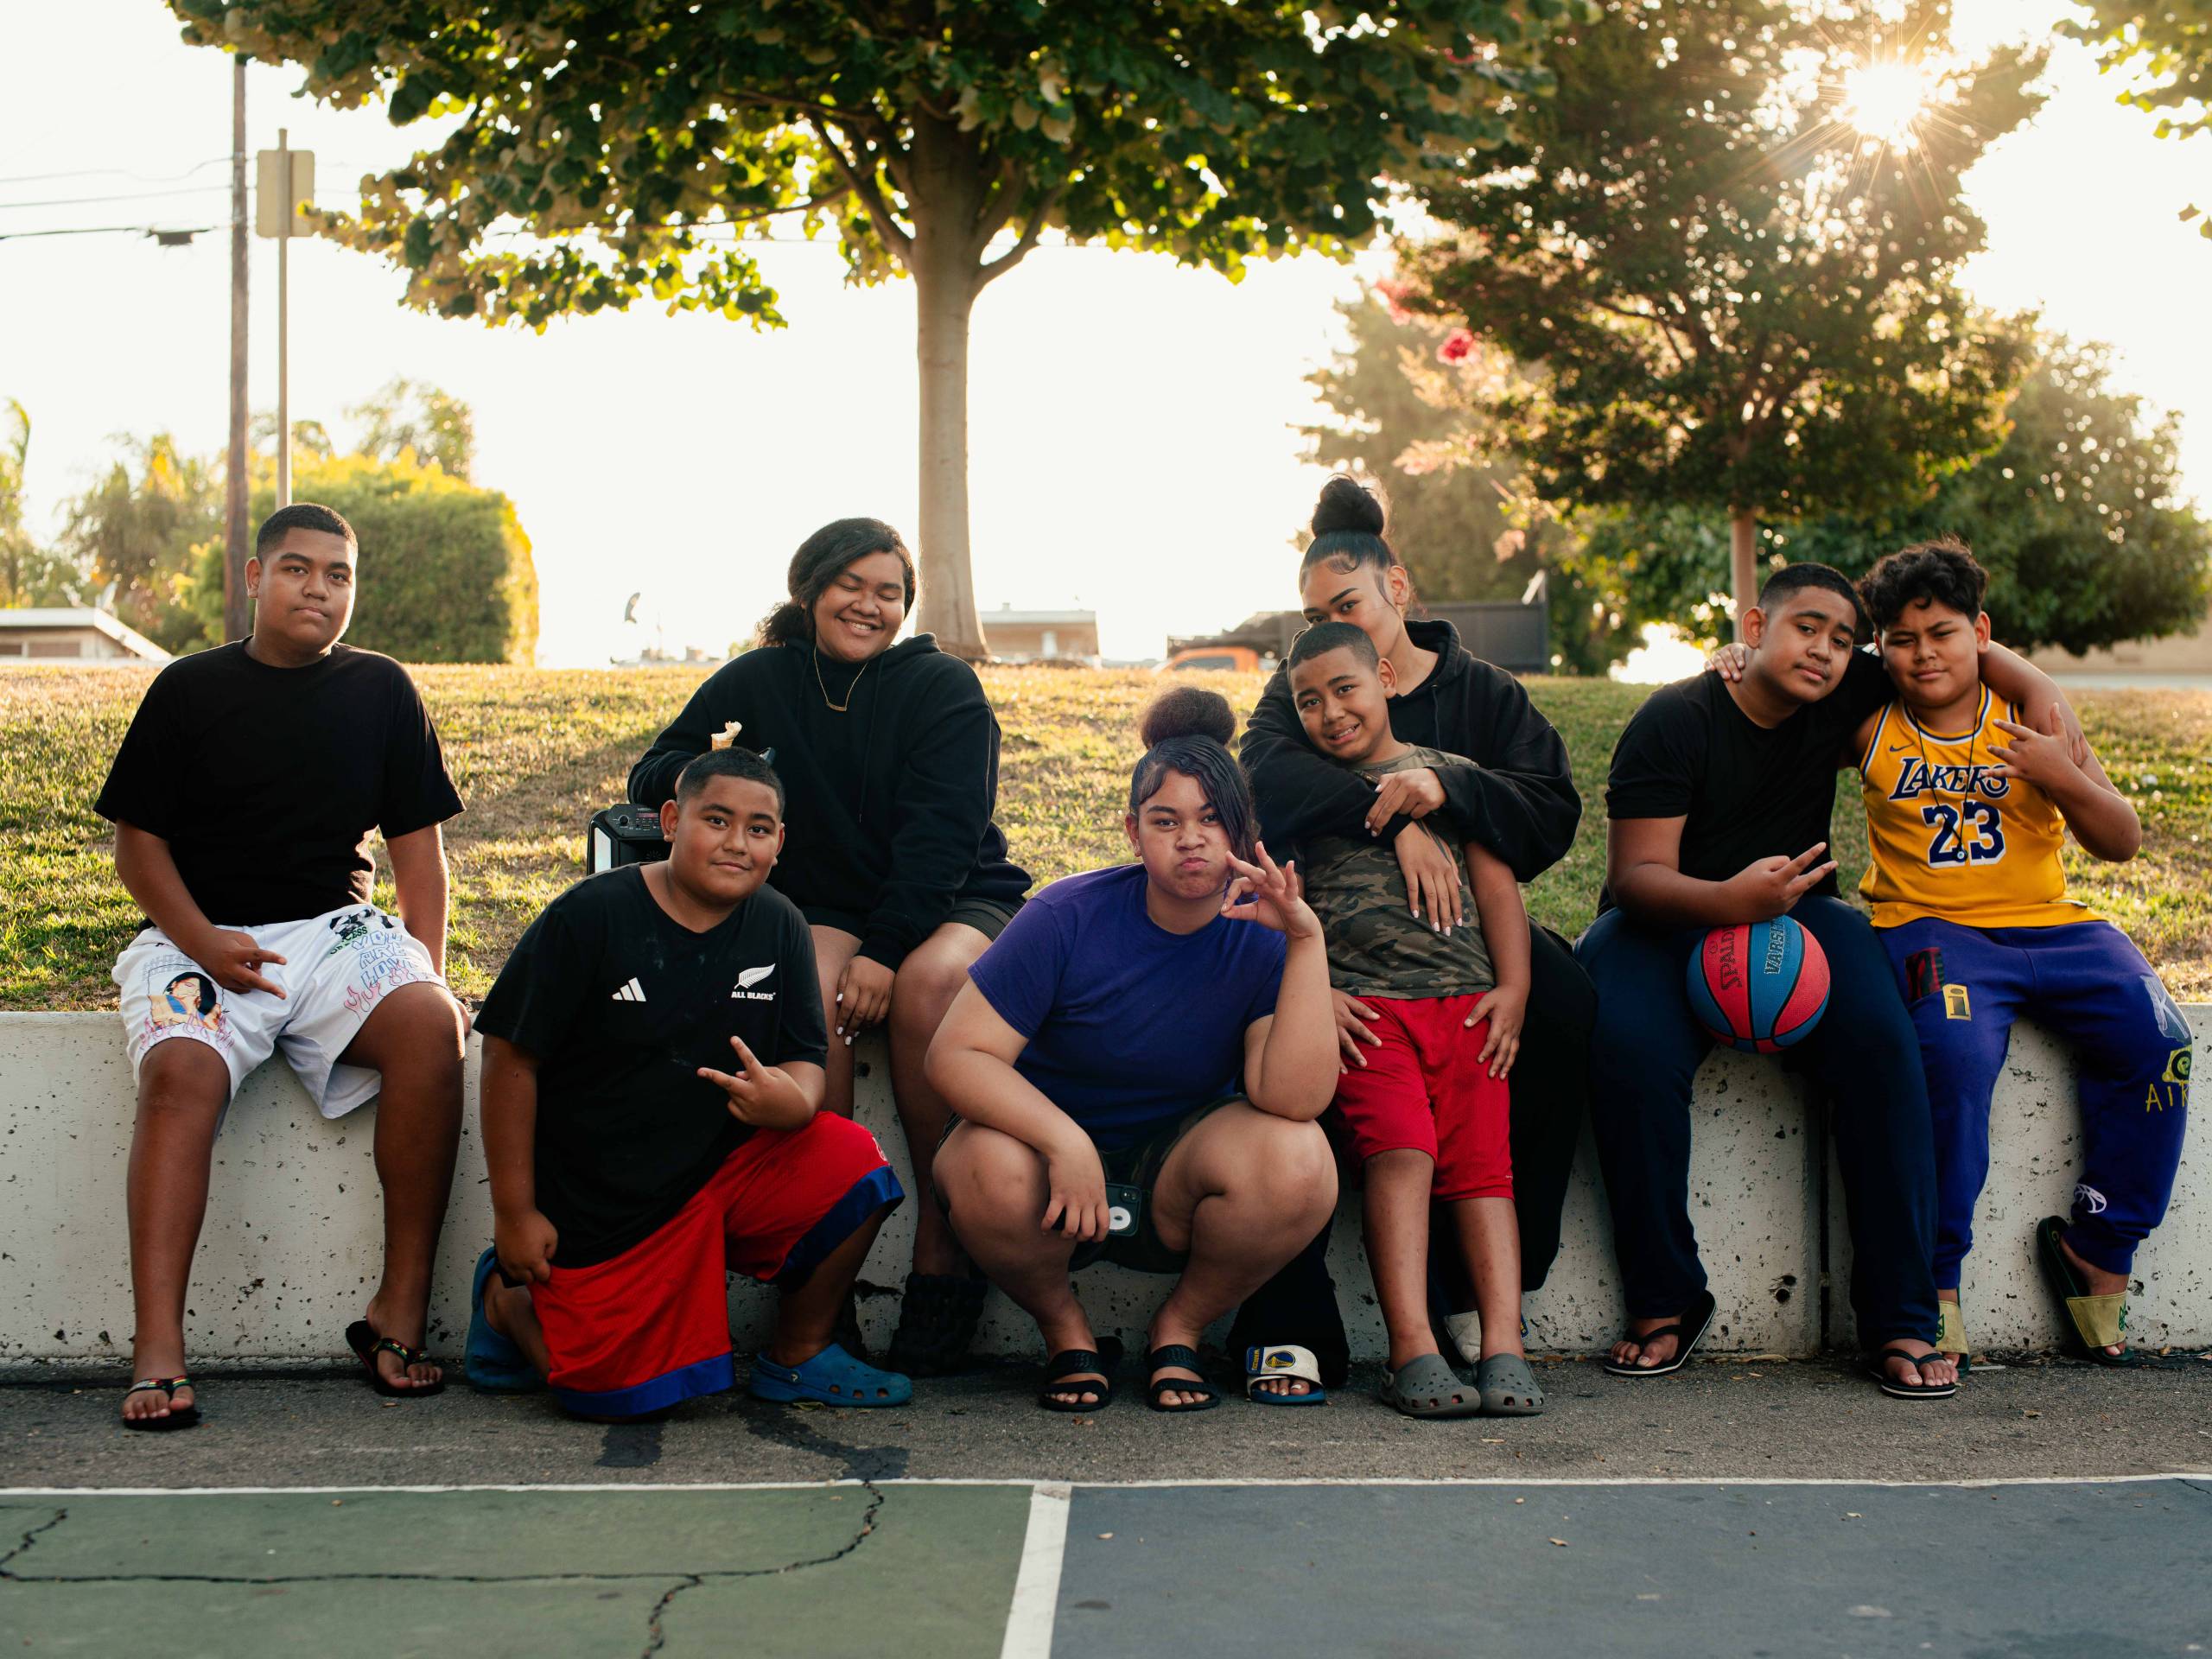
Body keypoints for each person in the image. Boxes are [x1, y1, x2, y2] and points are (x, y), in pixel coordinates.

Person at [1592, 562, 2079, 1399]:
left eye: (1842, 638)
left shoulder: (1843, 693)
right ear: (1754, 628)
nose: (1823, 650)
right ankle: (1664, 1298)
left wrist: (2036, 688)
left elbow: (1957, 652)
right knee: (1627, 1053)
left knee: (1888, 1047)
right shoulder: (1673, 720)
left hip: (1793, 916)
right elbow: (1635, 876)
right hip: (1664, 918)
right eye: (1805, 627)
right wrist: (1726, 899)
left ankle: (1899, 1315)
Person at [627, 518, 1029, 1376]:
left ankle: (942, 1244)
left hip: (953, 894)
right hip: (831, 905)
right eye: (851, 584)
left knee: (930, 984)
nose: (869, 605)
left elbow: (941, 836)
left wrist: (885, 948)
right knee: (813, 976)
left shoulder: (941, 688)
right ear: (808, 590)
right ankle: (826, 1265)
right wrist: (728, 765)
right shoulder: (762, 679)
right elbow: (654, 771)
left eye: (889, 592)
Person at [98, 503, 469, 1429]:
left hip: (332, 933)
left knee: (432, 1026)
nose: (319, 588)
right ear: (254, 579)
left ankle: (397, 1314)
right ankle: (158, 1351)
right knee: (180, 1075)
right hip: (201, 934)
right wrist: (200, 941)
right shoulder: (188, 689)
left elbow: (419, 858)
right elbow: (137, 849)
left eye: (338, 575)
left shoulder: (382, 690)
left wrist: (423, 974)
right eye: (299, 569)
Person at [1236, 474, 1593, 1388]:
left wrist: (1450, 793)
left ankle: (1483, 1300)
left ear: (1395, 589)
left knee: (1565, 1005)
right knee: (1278, 1043)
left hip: (1466, 951)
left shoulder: (1482, 692)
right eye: (1312, 610)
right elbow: (1265, 788)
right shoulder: (1302, 690)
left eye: (1346, 603)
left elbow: (1548, 811)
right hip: (1347, 964)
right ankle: (1299, 1314)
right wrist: (1394, 817)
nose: (1327, 623)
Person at [925, 689, 1340, 1413]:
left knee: (1301, 1159)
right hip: (1046, 1179)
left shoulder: (1265, 934)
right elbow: (956, 1055)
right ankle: (1067, 1334)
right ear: (1133, 832)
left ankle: (1178, 1329)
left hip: (1175, 1174)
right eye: (1166, 821)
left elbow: (1294, 1100)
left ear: (1243, 833)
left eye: (1213, 820)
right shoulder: (1065, 915)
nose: (1191, 839)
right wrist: (1064, 1141)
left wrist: (1305, 942)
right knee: (977, 1164)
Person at [466, 746, 910, 1417]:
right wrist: (515, 1214)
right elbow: (508, 1059)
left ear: (779, 842)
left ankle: (799, 1355)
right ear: (671, 820)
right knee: (613, 1398)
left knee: (851, 1158)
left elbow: (804, 1070)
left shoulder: (780, 923)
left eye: (759, 830)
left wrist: (787, 1103)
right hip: (607, 1209)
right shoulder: (591, 914)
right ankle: (508, 1301)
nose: (738, 843)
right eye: (718, 820)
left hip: (723, 1171)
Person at [1850, 538, 2187, 1368]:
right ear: (1882, 647)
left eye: (1944, 633)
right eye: (1902, 638)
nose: (1924, 653)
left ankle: (2100, 1253)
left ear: (1981, 634)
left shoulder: (2032, 716)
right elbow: (1794, 673)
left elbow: (2122, 839)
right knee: (1953, 1058)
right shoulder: (1869, 717)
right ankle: (1933, 1285)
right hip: (1933, 929)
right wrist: (1740, 653)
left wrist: (2059, 773)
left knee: (2164, 1040)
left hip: (2056, 925)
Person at [1284, 623, 1543, 1417]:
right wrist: (1314, 994)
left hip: (1468, 1008)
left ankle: (1505, 1344)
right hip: (1369, 1015)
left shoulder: (1450, 778)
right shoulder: (1302, 795)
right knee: (1402, 1157)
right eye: (1309, 700)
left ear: (1387, 679)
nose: (1330, 712)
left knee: (1484, 1175)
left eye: (1345, 689)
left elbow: (1499, 892)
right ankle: (1413, 1349)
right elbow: (1277, 907)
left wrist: (1516, 990)